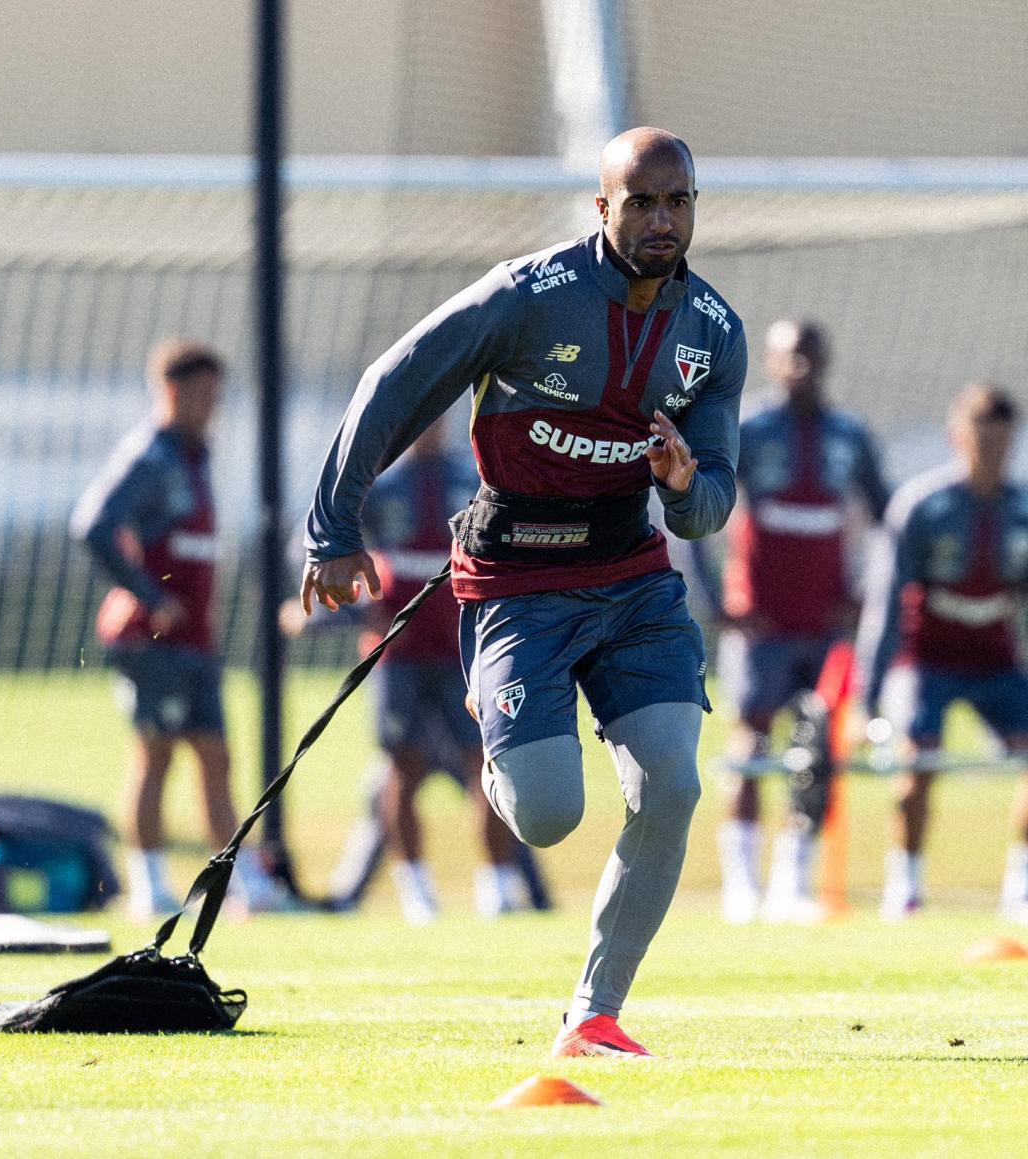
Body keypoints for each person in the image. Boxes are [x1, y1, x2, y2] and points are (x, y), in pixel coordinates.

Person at [300, 127, 747, 1058]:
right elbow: (395, 382)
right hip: (514, 582)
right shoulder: (525, 295)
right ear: (602, 208)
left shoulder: (714, 332)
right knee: (548, 816)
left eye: (680, 201)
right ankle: (499, 720)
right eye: (643, 201)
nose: (663, 219)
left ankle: (595, 1012)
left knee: (672, 781)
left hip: (632, 583)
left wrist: (677, 480)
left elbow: (710, 509)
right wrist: (334, 529)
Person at [283, 418, 543, 923]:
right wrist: (355, 608)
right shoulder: (381, 484)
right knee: (401, 768)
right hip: (397, 649)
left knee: (486, 763)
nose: (430, 429)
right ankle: (416, 890)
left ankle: (496, 886)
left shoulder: (471, 478)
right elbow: (315, 540)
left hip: (464, 649)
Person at [857, 383, 1028, 925]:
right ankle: (905, 886)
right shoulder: (923, 505)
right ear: (957, 437)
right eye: (981, 439)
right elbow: (884, 610)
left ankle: (1025, 888)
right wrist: (867, 702)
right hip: (926, 657)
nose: (991, 452)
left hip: (996, 658)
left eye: (1003, 441)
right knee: (920, 759)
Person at [71, 340, 284, 921]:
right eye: (201, 394)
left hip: (195, 639)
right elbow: (93, 524)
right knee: (155, 756)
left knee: (216, 758)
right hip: (151, 637)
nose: (211, 406)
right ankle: (149, 886)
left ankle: (240, 886)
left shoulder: (197, 455)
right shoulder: (149, 457)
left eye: (217, 395)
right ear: (170, 391)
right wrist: (150, 595)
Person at [692, 320, 890, 924]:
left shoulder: (849, 436)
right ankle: (741, 884)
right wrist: (715, 604)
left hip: (824, 623)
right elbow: (693, 512)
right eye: (788, 357)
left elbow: (890, 521)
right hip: (763, 624)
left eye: (809, 355)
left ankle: (792, 881)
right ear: (772, 364)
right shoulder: (749, 430)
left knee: (815, 751)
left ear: (825, 360)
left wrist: (865, 597)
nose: (799, 367)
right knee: (750, 743)